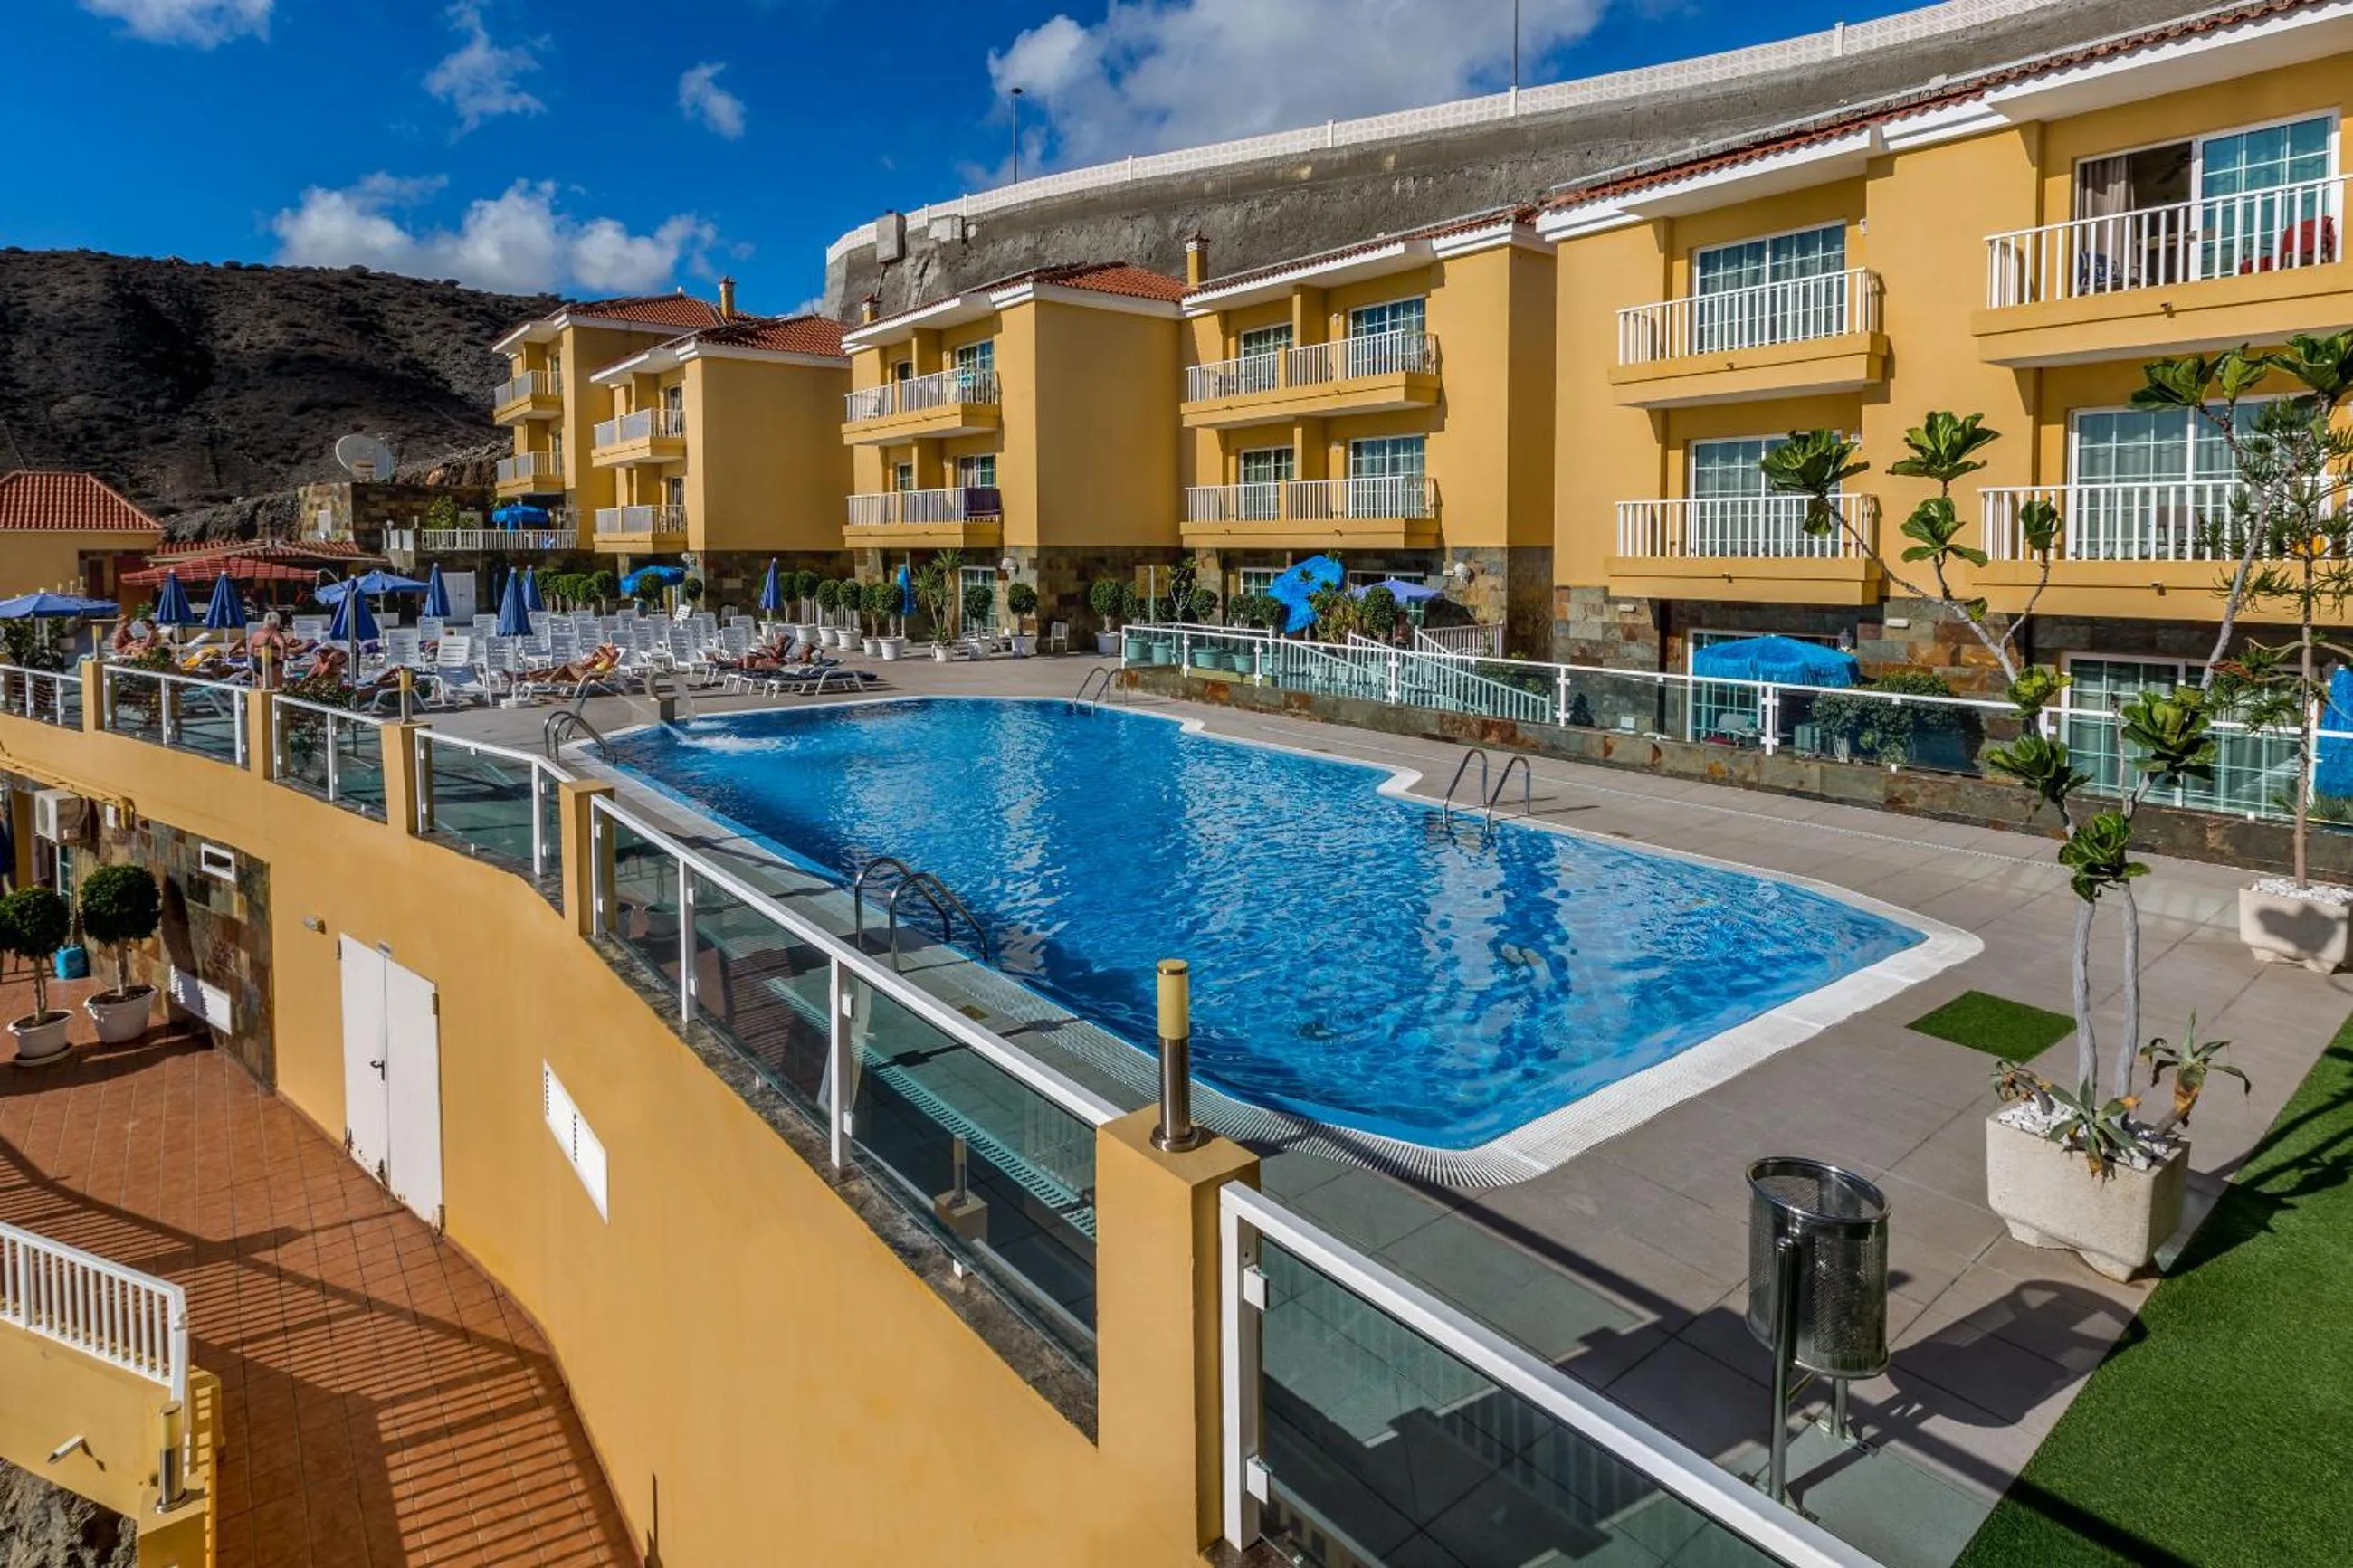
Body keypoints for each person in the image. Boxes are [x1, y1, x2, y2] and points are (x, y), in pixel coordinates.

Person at [246, 612, 289, 688]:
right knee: (277, 689)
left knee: (264, 689)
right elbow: (282, 644)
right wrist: (282, 656)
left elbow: (250, 651)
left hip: (257, 663)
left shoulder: (256, 634)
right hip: (272, 662)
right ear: (276, 622)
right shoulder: (274, 633)